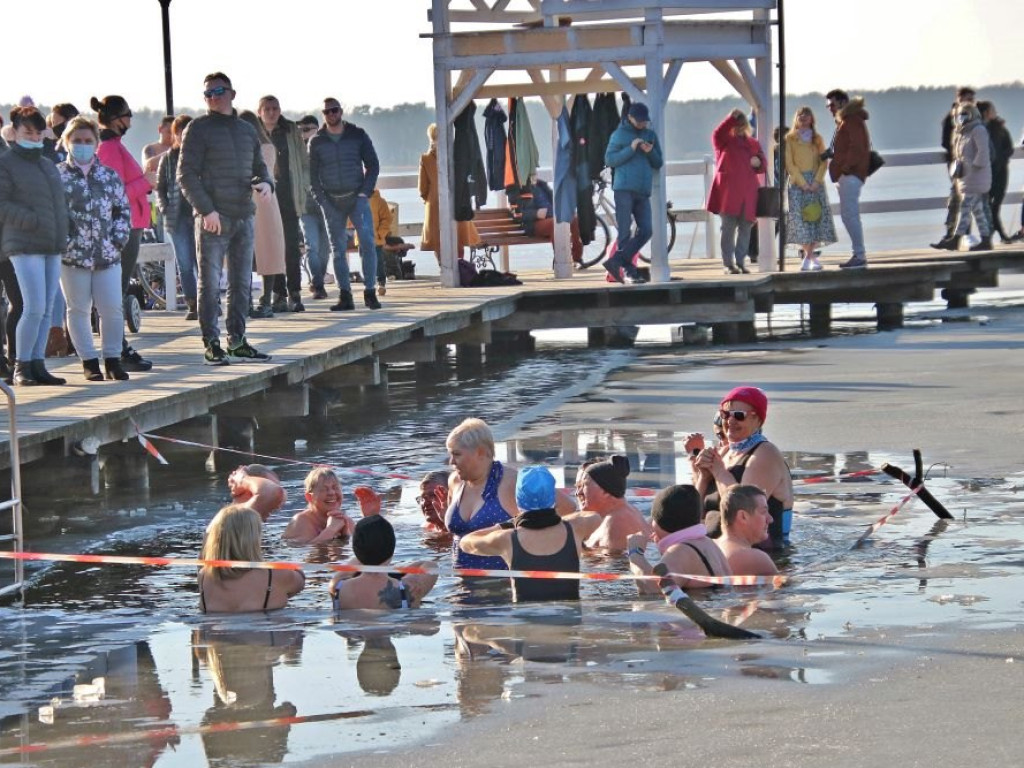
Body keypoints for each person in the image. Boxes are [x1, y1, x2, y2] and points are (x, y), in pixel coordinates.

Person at [177, 72, 274, 365]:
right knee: (209, 285)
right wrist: (206, 210)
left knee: (241, 283)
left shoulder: (246, 130)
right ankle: (211, 343)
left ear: (232, 93)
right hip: (213, 219)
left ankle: (237, 341)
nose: (213, 97)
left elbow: (260, 167)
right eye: (208, 94)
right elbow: (185, 175)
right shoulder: (197, 128)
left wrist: (266, 183)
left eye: (218, 91)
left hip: (243, 215)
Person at [57, 116, 132, 382]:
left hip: (107, 255)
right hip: (72, 257)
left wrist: (117, 240)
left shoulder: (109, 176)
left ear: (96, 143)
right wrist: (64, 242)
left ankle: (112, 359)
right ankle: (89, 361)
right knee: (78, 309)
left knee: (112, 308)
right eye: (77, 140)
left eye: (88, 140)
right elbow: (53, 213)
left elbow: (122, 210)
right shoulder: (57, 176)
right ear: (67, 142)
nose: (82, 145)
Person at [458, 465, 601, 602]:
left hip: (526, 617)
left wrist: (506, 524)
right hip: (570, 617)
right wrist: (553, 519)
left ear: (518, 498)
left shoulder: (506, 538)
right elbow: (594, 516)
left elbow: (465, 542)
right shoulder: (575, 528)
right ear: (553, 496)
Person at [0, 106, 68, 386]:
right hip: (23, 243)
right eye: (28, 132)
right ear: (15, 131)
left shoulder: (47, 165)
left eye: (38, 133)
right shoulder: (6, 162)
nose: (34, 137)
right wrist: (31, 220)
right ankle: (21, 364)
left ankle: (38, 364)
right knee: (33, 306)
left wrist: (66, 227)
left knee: (47, 307)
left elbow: (59, 203)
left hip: (51, 244)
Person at [92, 95, 154, 372]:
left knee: (118, 289)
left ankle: (118, 347)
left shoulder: (113, 145)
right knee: (115, 291)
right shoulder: (108, 148)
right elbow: (114, 194)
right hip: (123, 227)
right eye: (128, 115)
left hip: (131, 225)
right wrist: (145, 182)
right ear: (117, 119)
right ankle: (117, 349)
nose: (130, 120)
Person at [693, 386, 794, 549]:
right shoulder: (724, 452)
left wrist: (718, 471)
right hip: (717, 550)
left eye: (739, 415)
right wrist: (703, 477)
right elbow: (692, 516)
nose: (730, 421)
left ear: (758, 420)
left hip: (759, 555)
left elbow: (741, 510)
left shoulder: (766, 453)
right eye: (725, 415)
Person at [308, 97, 382, 312]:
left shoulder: (357, 135)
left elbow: (373, 165)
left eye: (334, 110)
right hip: (331, 201)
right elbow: (311, 177)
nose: (331, 114)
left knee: (367, 242)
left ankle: (370, 291)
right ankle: (345, 296)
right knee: (338, 249)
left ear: (341, 111)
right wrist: (322, 201)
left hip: (357, 197)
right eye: (327, 112)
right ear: (323, 115)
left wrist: (365, 193)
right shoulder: (317, 141)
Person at [625, 483, 731, 594]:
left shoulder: (681, 550)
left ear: (662, 521)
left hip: (700, 604)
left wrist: (635, 553)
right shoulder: (707, 543)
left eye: (654, 518)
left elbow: (654, 590)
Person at [198, 504, 305, 613]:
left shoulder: (204, 576)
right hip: (268, 623)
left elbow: (203, 555)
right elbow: (300, 580)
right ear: (253, 539)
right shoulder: (277, 575)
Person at [444, 418, 518, 571]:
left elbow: (564, 509)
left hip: (503, 580)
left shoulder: (511, 481)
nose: (451, 461)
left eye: (457, 454)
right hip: (460, 580)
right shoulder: (455, 481)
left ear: (480, 452)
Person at [257, 95, 308, 313]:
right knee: (272, 247)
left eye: (275, 108)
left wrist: (303, 187)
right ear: (260, 111)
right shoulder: (254, 132)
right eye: (267, 109)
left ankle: (295, 293)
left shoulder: (290, 130)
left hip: (288, 196)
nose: (271, 112)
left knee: (291, 247)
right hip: (266, 200)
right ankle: (278, 294)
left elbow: (303, 162)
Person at [602, 102, 662, 284]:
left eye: (645, 121)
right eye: (640, 121)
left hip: (643, 191)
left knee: (647, 230)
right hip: (623, 189)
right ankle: (630, 272)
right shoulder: (618, 135)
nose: (643, 124)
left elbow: (658, 163)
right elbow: (610, 160)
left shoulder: (650, 135)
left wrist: (650, 152)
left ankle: (616, 261)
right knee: (624, 232)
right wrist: (631, 148)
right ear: (630, 118)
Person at [328, 513, 438, 610]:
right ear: (392, 549)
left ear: (356, 549)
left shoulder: (337, 587)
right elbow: (431, 565)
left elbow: (350, 568)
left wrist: (365, 546)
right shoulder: (408, 589)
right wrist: (400, 574)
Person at [238, 110, 287, 318]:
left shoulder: (264, 148)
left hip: (260, 201)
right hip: (261, 202)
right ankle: (253, 300)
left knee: (265, 252)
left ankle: (263, 301)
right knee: (254, 252)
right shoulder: (265, 146)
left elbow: (258, 172)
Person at [706, 109, 767, 275]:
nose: (739, 126)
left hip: (748, 193)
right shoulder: (724, 141)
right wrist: (730, 118)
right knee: (728, 230)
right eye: (736, 123)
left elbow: (763, 165)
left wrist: (759, 162)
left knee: (745, 230)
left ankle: (740, 263)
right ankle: (728, 264)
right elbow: (717, 134)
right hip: (728, 194)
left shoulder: (753, 143)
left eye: (742, 123)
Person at [418, 123, 481, 264]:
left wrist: (429, 198)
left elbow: (422, 188)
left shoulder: (425, 159)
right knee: (459, 238)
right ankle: (459, 267)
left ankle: (444, 268)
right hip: (457, 200)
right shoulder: (456, 155)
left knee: (438, 241)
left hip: (435, 204)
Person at [784, 107, 837, 271]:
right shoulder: (790, 139)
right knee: (800, 221)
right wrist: (803, 183)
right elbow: (789, 164)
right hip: (797, 184)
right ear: (796, 118)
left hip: (815, 184)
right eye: (800, 114)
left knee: (815, 220)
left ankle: (808, 258)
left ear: (812, 119)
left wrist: (816, 182)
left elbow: (823, 162)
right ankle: (811, 258)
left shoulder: (817, 139)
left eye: (807, 115)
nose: (803, 117)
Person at [156, 114, 198, 320]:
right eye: (180, 133)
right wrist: (164, 208)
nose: (184, 137)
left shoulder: (201, 156)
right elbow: (160, 187)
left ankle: (210, 302)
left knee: (205, 262)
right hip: (177, 218)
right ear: (175, 135)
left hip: (200, 214)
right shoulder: (168, 158)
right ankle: (193, 303)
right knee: (185, 263)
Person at [935, 103, 993, 252]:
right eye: (960, 114)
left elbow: (983, 153)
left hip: (976, 178)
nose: (962, 117)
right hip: (965, 178)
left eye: (965, 113)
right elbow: (960, 155)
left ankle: (956, 239)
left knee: (965, 208)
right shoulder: (961, 132)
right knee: (977, 210)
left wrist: (973, 167)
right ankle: (986, 240)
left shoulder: (978, 130)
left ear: (973, 114)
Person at [825, 89, 871, 269]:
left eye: (832, 104)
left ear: (843, 102)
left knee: (849, 216)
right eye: (828, 105)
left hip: (851, 175)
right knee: (849, 216)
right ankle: (858, 254)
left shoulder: (851, 120)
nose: (830, 108)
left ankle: (859, 255)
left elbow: (857, 147)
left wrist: (845, 168)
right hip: (849, 175)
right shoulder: (848, 120)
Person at [932, 86, 977, 249]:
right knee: (958, 199)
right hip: (957, 165)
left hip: (972, 165)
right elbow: (945, 142)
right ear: (959, 99)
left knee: (967, 200)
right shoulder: (951, 118)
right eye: (967, 98)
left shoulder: (975, 116)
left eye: (971, 99)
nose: (970, 102)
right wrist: (960, 152)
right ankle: (954, 235)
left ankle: (959, 235)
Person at [575, 455, 650, 550]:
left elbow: (616, 560)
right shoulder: (629, 512)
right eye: (578, 486)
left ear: (606, 490)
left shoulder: (615, 524)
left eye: (585, 485)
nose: (578, 492)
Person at [509, 173, 584, 265]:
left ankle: (576, 258)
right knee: (556, 224)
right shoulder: (516, 188)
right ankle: (561, 260)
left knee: (575, 219)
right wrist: (536, 213)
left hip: (552, 217)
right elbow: (516, 214)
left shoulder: (541, 184)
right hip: (533, 223)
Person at [296, 115, 330, 299]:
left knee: (325, 248)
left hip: (327, 206)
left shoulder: (326, 149)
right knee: (312, 246)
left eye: (307, 129)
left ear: (317, 129)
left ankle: (319, 278)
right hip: (306, 207)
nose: (303, 133)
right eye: (300, 130)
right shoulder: (297, 154)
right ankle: (318, 285)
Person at [715, 485, 779, 576]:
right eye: (763, 512)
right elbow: (783, 583)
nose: (770, 519)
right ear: (743, 516)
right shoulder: (754, 558)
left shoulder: (709, 547)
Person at [282, 467, 355, 545]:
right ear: (309, 497)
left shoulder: (347, 521)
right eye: (323, 489)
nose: (331, 493)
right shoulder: (301, 521)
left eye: (335, 488)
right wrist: (331, 530)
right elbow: (306, 550)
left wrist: (345, 534)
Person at [978, 100, 1015, 244]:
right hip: (985, 173)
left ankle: (995, 233)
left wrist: (1001, 159)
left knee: (996, 204)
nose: (995, 112)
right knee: (987, 205)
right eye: (992, 109)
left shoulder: (1000, 128)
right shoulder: (977, 129)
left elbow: (1009, 148)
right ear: (986, 113)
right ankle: (998, 234)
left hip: (1001, 172)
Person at [141, 115, 174, 189]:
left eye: (174, 133)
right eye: (169, 132)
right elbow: (148, 165)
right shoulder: (150, 148)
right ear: (160, 129)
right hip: (157, 190)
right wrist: (171, 152)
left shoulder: (180, 149)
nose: (172, 136)